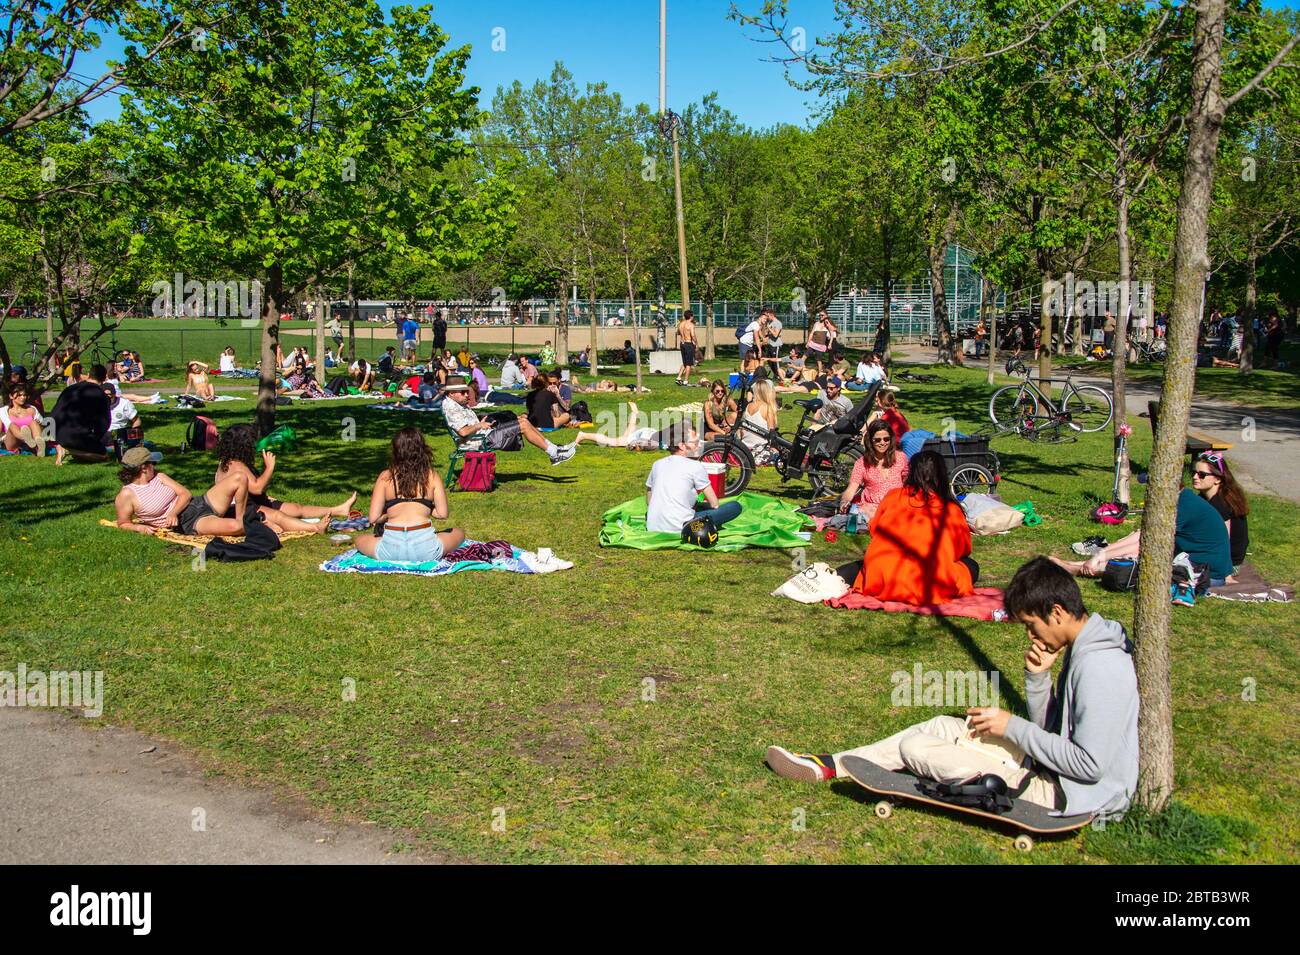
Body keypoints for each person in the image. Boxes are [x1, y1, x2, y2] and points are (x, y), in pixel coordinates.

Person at [766, 557, 1139, 819]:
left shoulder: (1100, 666)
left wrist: (1011, 726)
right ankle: (827, 766)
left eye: (1031, 624)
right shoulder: (1085, 645)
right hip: (1053, 771)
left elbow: (1089, 766)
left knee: (916, 748)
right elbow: (1051, 733)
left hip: (1070, 795)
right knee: (943, 726)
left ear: (1057, 612)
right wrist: (1038, 680)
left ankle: (842, 767)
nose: (1030, 635)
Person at [836, 450, 977, 604]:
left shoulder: (893, 496)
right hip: (927, 583)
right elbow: (962, 549)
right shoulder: (950, 509)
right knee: (971, 566)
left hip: (882, 576)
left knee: (862, 566)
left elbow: (875, 530)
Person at [1051, 484, 1235, 585]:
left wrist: (1102, 554)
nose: (1148, 490)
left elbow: (1144, 540)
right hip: (1193, 560)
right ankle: (1082, 565)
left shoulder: (1183, 507)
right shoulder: (1183, 500)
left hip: (1206, 573)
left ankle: (1083, 568)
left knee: (1140, 561)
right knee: (1139, 548)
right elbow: (1142, 535)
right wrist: (1102, 553)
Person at [214, 424, 355, 534]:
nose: (253, 447)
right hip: (237, 510)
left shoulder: (232, 461)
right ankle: (315, 528)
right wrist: (269, 467)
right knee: (278, 516)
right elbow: (257, 488)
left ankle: (338, 510)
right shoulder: (236, 465)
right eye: (251, 443)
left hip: (250, 502)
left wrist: (267, 498)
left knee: (296, 509)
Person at [353, 428, 465, 563]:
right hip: (426, 549)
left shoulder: (385, 477)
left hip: (391, 549)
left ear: (395, 451)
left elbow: (374, 518)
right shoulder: (431, 475)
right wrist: (426, 507)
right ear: (422, 449)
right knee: (459, 533)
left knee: (359, 539)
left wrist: (390, 513)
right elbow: (442, 514)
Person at [115, 446, 251, 537]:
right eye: (153, 463)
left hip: (198, 503)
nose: (155, 466)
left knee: (239, 478)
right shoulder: (127, 494)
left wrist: (173, 512)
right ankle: (248, 524)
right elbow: (123, 523)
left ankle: (242, 517)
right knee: (236, 527)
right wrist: (139, 528)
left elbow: (185, 493)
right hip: (189, 521)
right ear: (144, 468)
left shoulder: (159, 476)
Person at [441, 382, 576, 464]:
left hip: (483, 434)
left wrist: (480, 422)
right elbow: (463, 432)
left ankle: (555, 450)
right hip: (480, 441)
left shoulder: (456, 403)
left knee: (523, 420)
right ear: (452, 393)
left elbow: (466, 426)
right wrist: (479, 425)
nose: (467, 395)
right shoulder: (451, 407)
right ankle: (554, 453)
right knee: (523, 425)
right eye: (463, 392)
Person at [645, 421, 741, 533]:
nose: (699, 445)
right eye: (695, 443)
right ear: (681, 445)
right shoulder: (695, 466)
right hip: (683, 526)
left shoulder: (657, 464)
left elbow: (649, 499)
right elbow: (714, 504)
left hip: (653, 525)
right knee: (734, 506)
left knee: (697, 504)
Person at [839, 420, 909, 522]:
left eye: (886, 439)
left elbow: (908, 483)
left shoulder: (901, 457)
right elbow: (851, 488)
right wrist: (844, 502)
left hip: (897, 506)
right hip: (871, 508)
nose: (882, 443)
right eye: (877, 440)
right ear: (870, 441)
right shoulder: (861, 463)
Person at [1192, 452, 1249, 568]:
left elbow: (1222, 543)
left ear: (1217, 479)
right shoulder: (1206, 497)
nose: (1195, 477)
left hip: (1228, 564)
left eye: (1201, 475)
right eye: (1194, 473)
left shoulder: (1220, 505)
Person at [50, 372, 110, 465]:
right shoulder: (99, 394)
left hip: (54, 431)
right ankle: (68, 451)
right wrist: (96, 438)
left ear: (89, 375)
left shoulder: (70, 388)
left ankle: (68, 448)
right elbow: (104, 422)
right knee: (104, 455)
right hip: (74, 435)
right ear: (103, 379)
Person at [567, 402, 672, 451]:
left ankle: (635, 413)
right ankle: (583, 435)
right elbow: (642, 445)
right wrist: (633, 447)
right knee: (612, 442)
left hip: (649, 432)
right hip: (645, 436)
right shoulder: (663, 442)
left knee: (629, 434)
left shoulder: (667, 436)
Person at [740, 378, 779, 466]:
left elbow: (742, 431)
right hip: (759, 449)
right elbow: (771, 433)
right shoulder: (767, 407)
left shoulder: (748, 406)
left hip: (745, 448)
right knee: (784, 457)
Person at [1, 382, 47, 456]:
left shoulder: (32, 409)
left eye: (24, 395)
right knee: (12, 425)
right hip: (13, 441)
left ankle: (39, 447)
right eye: (19, 395)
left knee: (33, 422)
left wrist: (39, 424)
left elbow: (44, 427)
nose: (23, 397)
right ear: (11, 396)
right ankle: (26, 438)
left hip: (33, 439)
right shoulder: (3, 411)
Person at [676, 310, 698, 386]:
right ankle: (686, 380)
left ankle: (678, 378)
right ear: (691, 316)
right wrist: (696, 343)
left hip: (682, 343)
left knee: (684, 362)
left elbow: (678, 333)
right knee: (689, 364)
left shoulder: (681, 324)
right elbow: (693, 335)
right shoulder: (691, 325)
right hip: (688, 344)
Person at [807, 310, 832, 375]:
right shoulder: (816, 323)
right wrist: (808, 342)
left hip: (820, 345)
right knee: (805, 355)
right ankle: (799, 368)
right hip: (813, 343)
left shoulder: (828, 324)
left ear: (826, 315)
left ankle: (820, 373)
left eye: (822, 315)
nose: (820, 316)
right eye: (820, 315)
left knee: (819, 359)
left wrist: (830, 343)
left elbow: (832, 333)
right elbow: (811, 333)